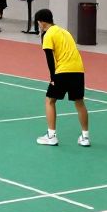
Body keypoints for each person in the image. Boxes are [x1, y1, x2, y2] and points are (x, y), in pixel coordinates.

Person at [35, 9, 90, 147]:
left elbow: (49, 58)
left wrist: (52, 77)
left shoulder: (48, 34)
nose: (38, 25)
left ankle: (51, 136)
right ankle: (85, 137)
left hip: (63, 71)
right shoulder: (65, 32)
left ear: (41, 22)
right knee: (79, 103)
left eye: (38, 22)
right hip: (78, 70)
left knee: (50, 101)